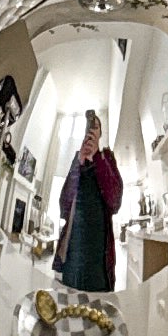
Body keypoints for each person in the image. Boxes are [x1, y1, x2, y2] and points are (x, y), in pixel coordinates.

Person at [56, 109, 121, 294]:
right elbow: (63, 207)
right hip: (73, 260)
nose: (92, 130)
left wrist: (97, 159)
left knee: (97, 313)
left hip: (99, 263)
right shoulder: (77, 161)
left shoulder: (107, 158)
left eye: (96, 126)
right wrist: (79, 163)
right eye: (89, 126)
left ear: (100, 133)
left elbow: (115, 201)